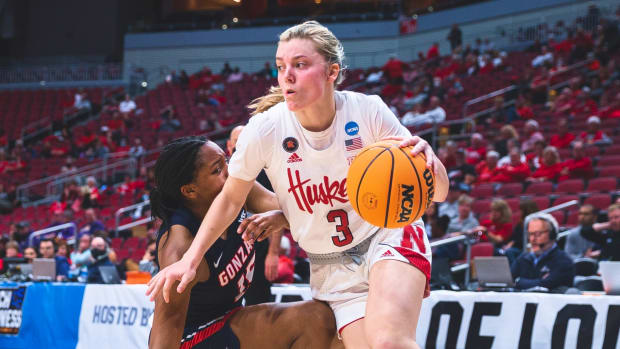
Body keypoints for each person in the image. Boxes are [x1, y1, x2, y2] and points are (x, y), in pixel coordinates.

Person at [147, 21, 449, 349]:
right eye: (280, 67)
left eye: (300, 65)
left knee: (389, 343)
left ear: (332, 71)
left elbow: (441, 192)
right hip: (332, 268)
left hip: (386, 236)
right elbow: (232, 198)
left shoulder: (367, 111)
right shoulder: (264, 130)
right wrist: (192, 258)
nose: (287, 75)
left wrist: (431, 163)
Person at [148, 136, 340, 348]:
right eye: (217, 170)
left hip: (231, 318)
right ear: (190, 190)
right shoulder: (180, 247)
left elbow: (289, 207)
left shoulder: (237, 190)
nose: (230, 171)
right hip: (193, 338)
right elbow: (169, 321)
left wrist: (282, 216)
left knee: (340, 327)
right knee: (315, 318)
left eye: (226, 161)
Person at [511, 213, 575, 291]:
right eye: (530, 234)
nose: (532, 239)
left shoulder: (564, 261)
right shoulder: (523, 258)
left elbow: (546, 285)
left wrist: (519, 281)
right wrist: (538, 282)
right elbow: (509, 281)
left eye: (537, 234)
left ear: (552, 235)